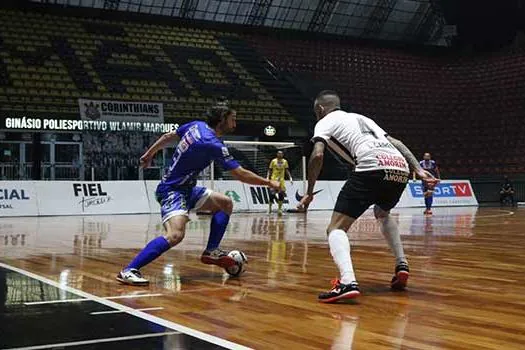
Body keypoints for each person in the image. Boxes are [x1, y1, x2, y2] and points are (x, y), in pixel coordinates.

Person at [117, 101, 280, 285]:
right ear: (221, 121)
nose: (235, 124)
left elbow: (168, 136)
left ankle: (211, 251)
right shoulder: (212, 143)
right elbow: (240, 174)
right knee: (175, 236)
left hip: (188, 189)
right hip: (173, 191)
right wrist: (268, 182)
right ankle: (129, 270)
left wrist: (149, 154)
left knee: (225, 203)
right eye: (232, 120)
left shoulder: (196, 125)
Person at [298, 90, 437, 303]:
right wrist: (417, 169)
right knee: (382, 212)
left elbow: (317, 154)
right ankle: (401, 263)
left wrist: (309, 192)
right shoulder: (362, 118)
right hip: (399, 168)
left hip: (371, 166)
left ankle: (347, 282)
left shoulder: (324, 122)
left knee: (335, 228)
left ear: (320, 109)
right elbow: (396, 142)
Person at [266, 150, 293, 215]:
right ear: (277, 154)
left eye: (281, 154)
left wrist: (290, 178)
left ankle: (279, 209)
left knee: (281, 194)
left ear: (283, 155)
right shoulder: (273, 161)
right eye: (279, 153)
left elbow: (287, 170)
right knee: (272, 194)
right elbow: (269, 170)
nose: (280, 155)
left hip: (281, 181)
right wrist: (267, 177)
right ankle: (269, 209)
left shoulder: (285, 161)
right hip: (274, 179)